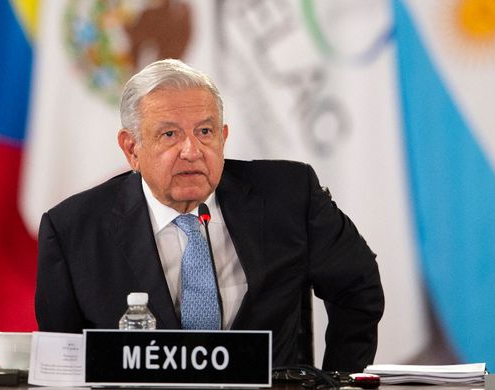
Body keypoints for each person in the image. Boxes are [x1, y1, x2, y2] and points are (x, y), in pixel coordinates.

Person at [35, 58, 384, 372]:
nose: (191, 151)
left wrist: (339, 381)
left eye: (205, 132)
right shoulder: (73, 231)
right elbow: (64, 359)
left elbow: (358, 287)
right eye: (169, 134)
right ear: (132, 149)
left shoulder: (289, 196)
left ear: (223, 136)